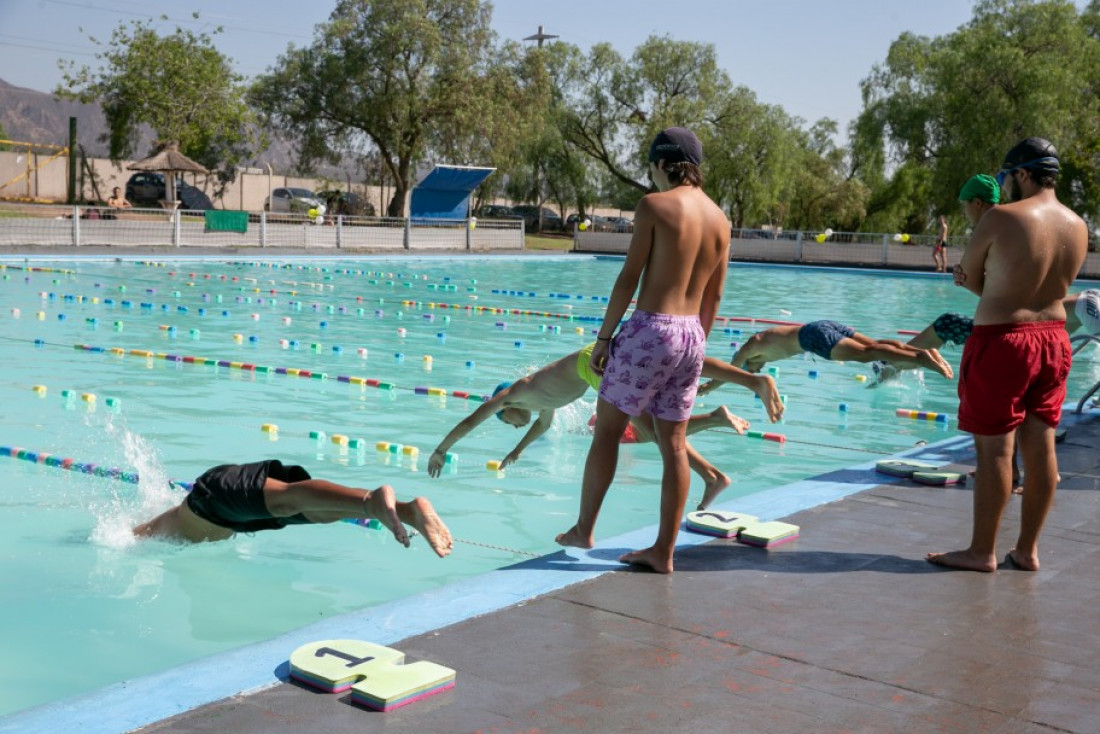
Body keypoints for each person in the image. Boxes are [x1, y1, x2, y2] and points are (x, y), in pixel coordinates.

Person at [553, 126, 730, 574]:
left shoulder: (654, 206)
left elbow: (629, 277)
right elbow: (714, 297)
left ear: (662, 164)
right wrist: (696, 351)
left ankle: (584, 528)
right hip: (693, 334)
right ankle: (663, 551)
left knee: (607, 431)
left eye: (650, 166)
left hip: (651, 328)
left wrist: (604, 338)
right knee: (673, 444)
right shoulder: (720, 220)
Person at [927, 137, 1088, 573]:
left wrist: (965, 281)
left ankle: (982, 552)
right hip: (1054, 340)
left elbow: (983, 283)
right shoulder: (1078, 225)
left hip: (1003, 341)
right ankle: (1028, 550)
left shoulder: (1000, 217)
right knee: (1042, 446)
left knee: (995, 451)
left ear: (1020, 174)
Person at [427, 343, 783, 510]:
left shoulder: (514, 394)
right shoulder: (539, 405)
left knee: (654, 432)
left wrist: (442, 450)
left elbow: (471, 419)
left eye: (509, 426)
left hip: (592, 368)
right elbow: (541, 426)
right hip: (594, 366)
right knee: (675, 369)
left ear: (504, 409)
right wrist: (516, 451)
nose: (513, 426)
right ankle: (750, 385)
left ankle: (711, 475)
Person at [133, 459, 453, 556]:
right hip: (239, 518)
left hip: (211, 500)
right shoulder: (170, 525)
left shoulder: (146, 534)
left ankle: (372, 502)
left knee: (291, 498)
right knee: (314, 512)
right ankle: (407, 510)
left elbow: (131, 535)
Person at [728, 320, 954, 378]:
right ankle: (923, 352)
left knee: (867, 355)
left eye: (751, 370)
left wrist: (708, 387)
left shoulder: (749, 348)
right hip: (822, 325)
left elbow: (732, 370)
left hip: (813, 338)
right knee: (873, 345)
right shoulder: (763, 349)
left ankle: (921, 357)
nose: (755, 372)